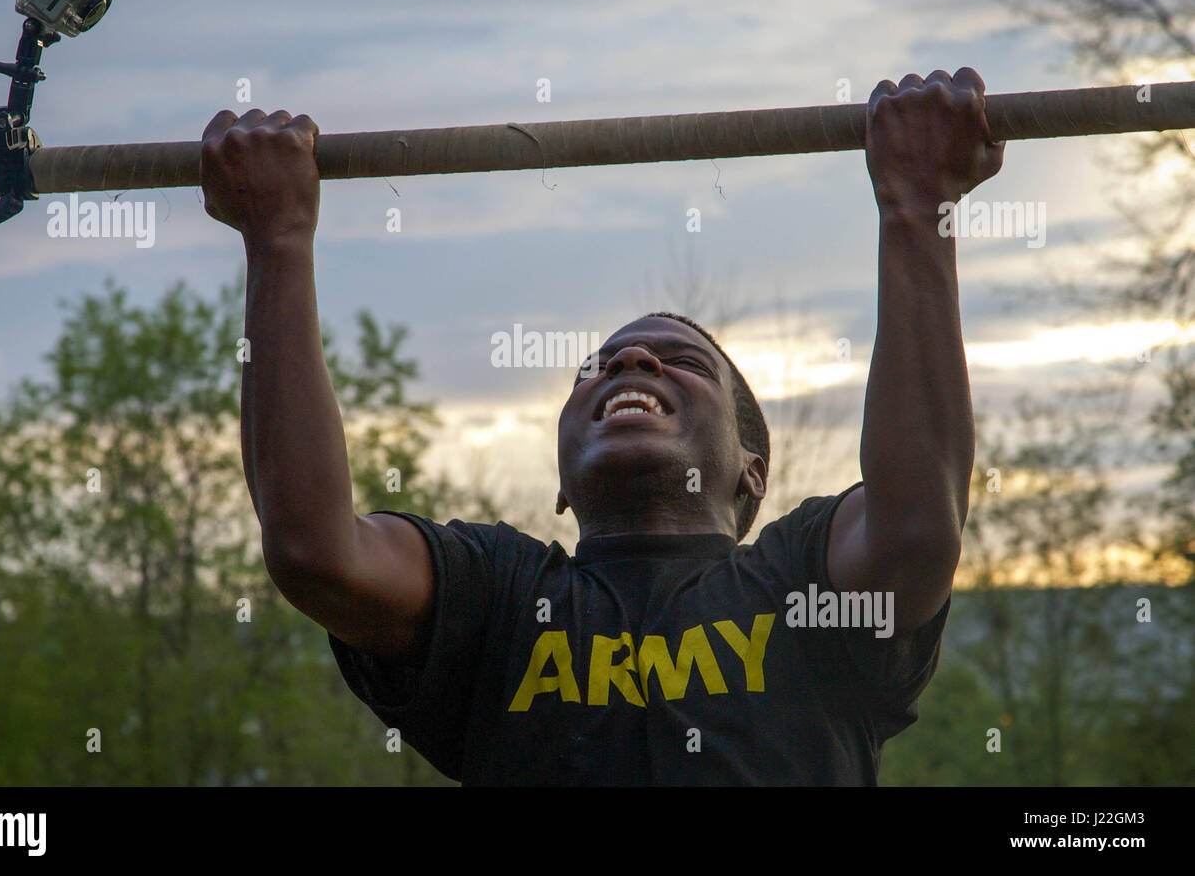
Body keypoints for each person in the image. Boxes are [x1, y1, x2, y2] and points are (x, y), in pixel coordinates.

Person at [199, 67, 1004, 784]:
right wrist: (277, 242)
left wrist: (916, 209)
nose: (629, 365)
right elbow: (313, 547)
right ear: (559, 479)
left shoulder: (801, 586)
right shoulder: (497, 599)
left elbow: (915, 525)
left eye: (680, 360)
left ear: (752, 470)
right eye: (600, 365)